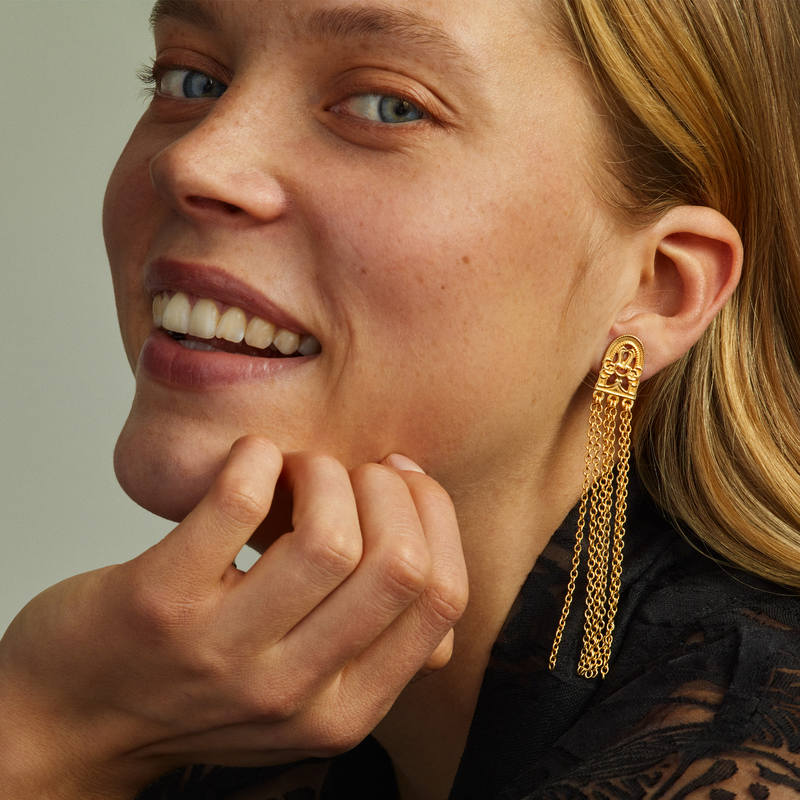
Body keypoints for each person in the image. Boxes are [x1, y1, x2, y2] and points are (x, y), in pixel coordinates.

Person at [2, 0, 800, 797]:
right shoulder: (190, 716)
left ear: (657, 288)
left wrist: (47, 728)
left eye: (387, 105)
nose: (194, 162)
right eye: (191, 78)